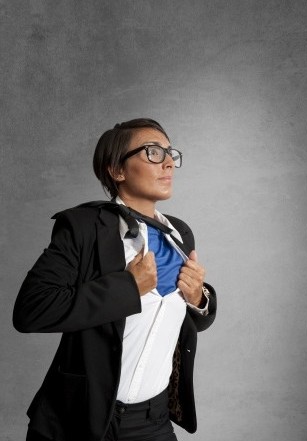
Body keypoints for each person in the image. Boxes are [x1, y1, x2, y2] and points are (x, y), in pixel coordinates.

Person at [13, 118, 217, 441]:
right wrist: (128, 288)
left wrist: (199, 300)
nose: (168, 162)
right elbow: (31, 310)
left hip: (153, 422)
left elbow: (180, 318)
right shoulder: (83, 228)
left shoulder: (180, 234)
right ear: (117, 170)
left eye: (170, 153)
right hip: (79, 422)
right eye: (153, 152)